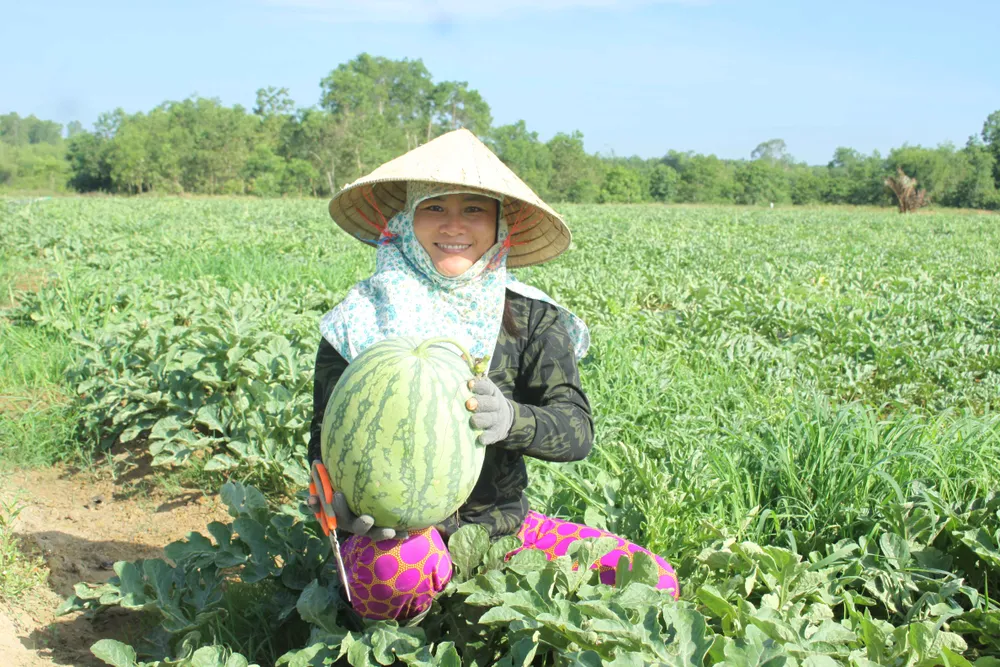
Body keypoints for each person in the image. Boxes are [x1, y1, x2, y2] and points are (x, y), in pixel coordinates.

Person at [308, 129, 678, 621]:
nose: (454, 225)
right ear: (407, 218)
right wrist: (341, 509)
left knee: (651, 580)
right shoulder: (360, 318)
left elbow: (577, 430)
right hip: (398, 540)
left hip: (502, 530)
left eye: (474, 209)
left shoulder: (531, 317)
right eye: (435, 207)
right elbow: (322, 437)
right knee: (401, 573)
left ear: (501, 223)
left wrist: (512, 420)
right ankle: (402, 630)